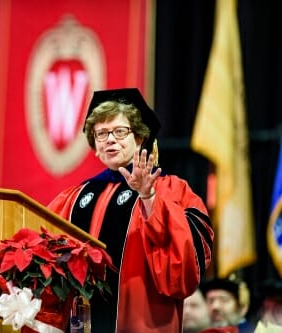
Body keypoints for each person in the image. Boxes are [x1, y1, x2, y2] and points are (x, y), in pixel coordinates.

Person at [47, 88, 214, 332]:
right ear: (94, 145)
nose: (110, 139)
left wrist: (149, 198)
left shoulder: (172, 189)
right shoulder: (73, 198)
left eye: (120, 131)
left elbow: (183, 269)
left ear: (140, 138)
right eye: (101, 134)